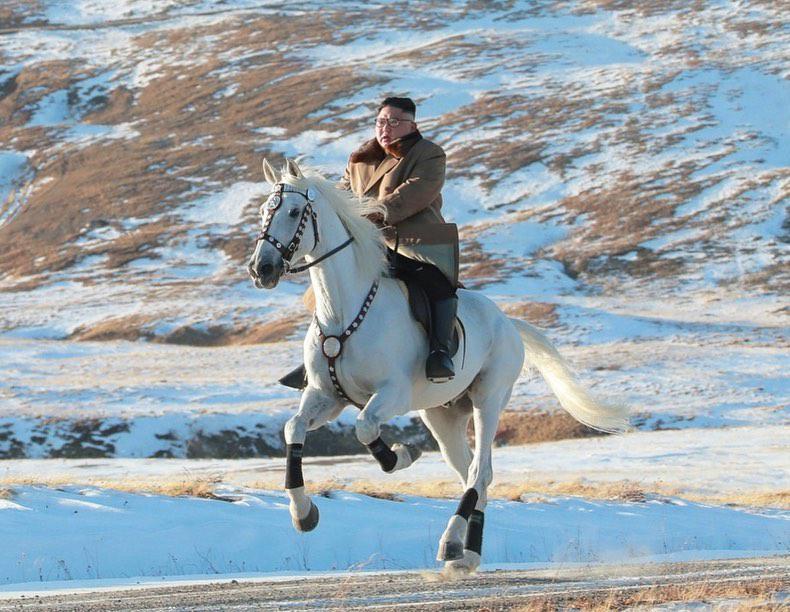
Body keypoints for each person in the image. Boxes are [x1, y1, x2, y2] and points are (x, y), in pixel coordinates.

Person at [279, 96, 459, 389]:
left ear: (412, 125)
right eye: (380, 122)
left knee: (436, 286)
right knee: (326, 290)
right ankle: (320, 357)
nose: (385, 128)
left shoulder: (429, 155)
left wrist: (367, 215)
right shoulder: (360, 158)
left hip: (413, 243)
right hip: (367, 244)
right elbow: (342, 194)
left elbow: (412, 194)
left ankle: (439, 352)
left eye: (394, 122)